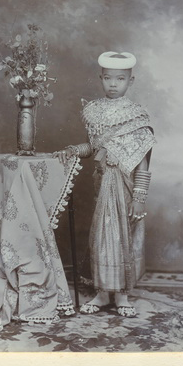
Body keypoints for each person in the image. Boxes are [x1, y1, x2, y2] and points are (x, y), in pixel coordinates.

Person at [54, 51, 156, 317]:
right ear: (101, 78)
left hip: (125, 186)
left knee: (122, 237)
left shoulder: (136, 115)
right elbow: (94, 147)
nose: (113, 84)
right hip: (101, 183)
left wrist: (139, 197)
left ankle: (122, 296)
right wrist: (75, 149)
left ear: (130, 81)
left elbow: (143, 160)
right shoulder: (94, 111)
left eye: (120, 79)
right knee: (101, 237)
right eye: (108, 78)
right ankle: (101, 294)